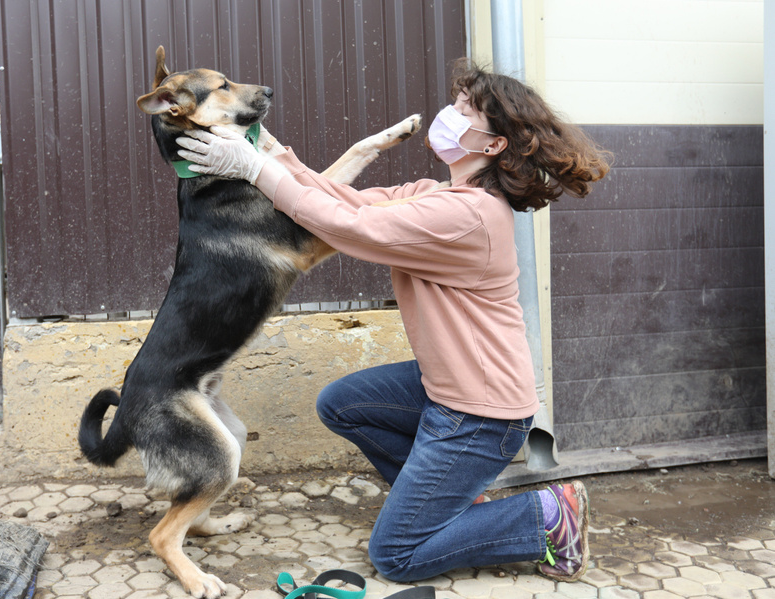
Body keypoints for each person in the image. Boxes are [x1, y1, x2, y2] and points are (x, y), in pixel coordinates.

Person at [176, 60, 611, 583]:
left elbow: (348, 226)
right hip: (446, 389)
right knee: (342, 404)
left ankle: (542, 516)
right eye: (456, 103)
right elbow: (348, 201)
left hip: (481, 414)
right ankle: (446, 501)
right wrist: (264, 146)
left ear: (494, 145)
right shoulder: (439, 195)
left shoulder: (470, 216)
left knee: (396, 557)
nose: (449, 115)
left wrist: (251, 168)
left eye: (466, 111)